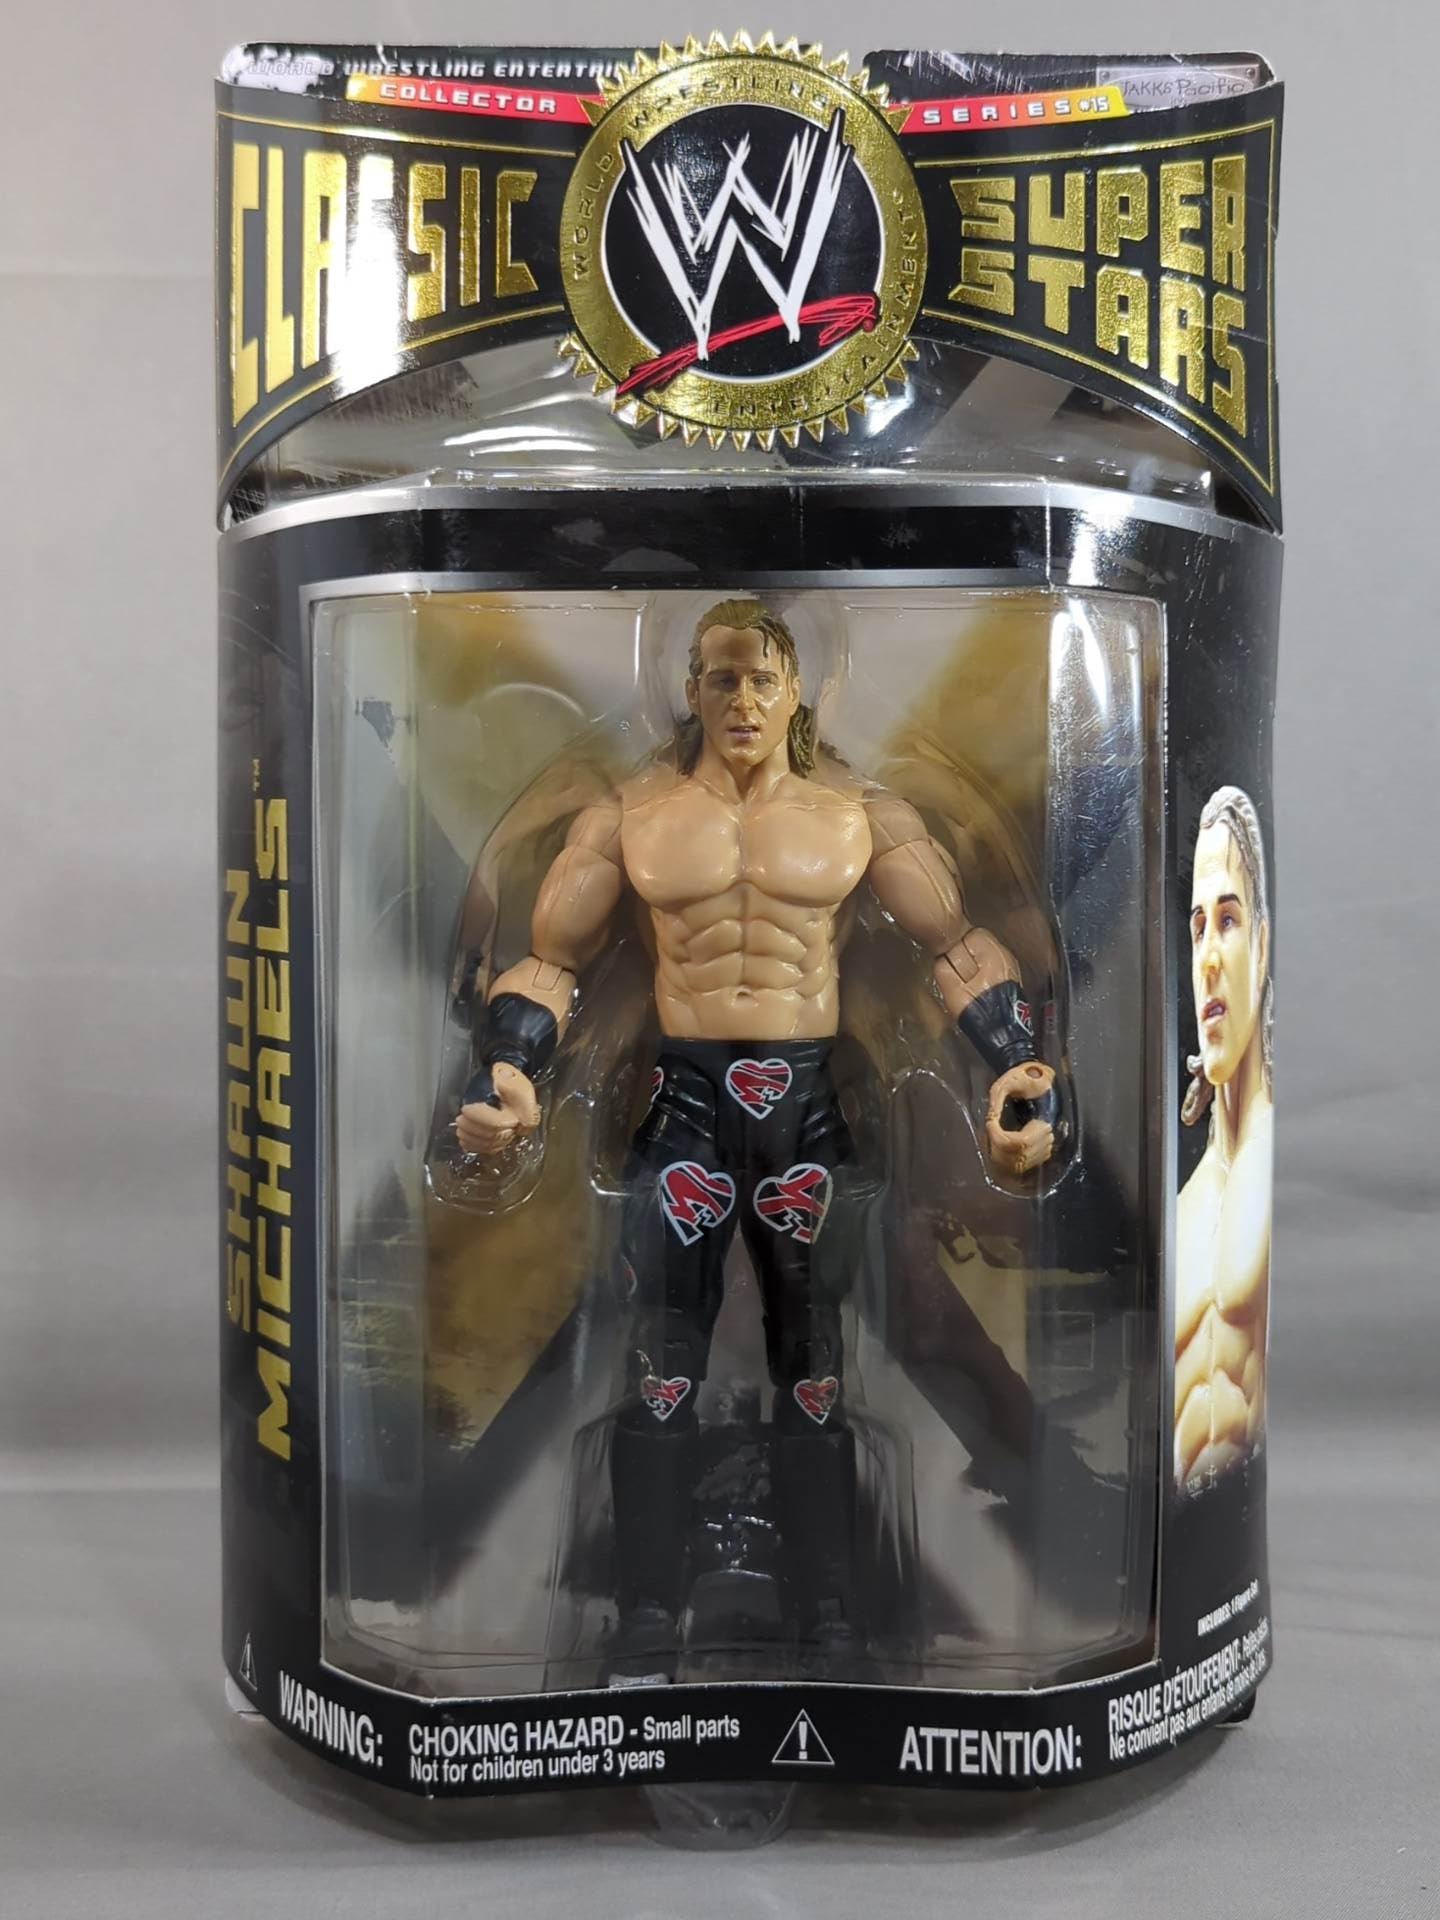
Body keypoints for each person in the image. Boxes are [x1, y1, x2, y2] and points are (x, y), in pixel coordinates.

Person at [456, 597, 1057, 1674]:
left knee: (815, 1368)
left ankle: (830, 1611)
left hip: (808, 1106)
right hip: (682, 1100)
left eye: (762, 678)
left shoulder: (860, 814)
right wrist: (507, 1072)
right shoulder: (630, 815)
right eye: (722, 678)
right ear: (689, 688)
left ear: (799, 691)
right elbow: (550, 962)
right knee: (661, 1366)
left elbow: (957, 946)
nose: (741, 699)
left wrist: (1015, 1066)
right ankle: (646, 1614)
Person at [1174, 786, 1274, 1489]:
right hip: (1180, 1529)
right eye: (1198, 927)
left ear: (1263, 945)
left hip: (1235, 1516)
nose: (1208, 957)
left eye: (1229, 920)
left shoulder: (1273, 1164)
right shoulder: (1189, 1200)